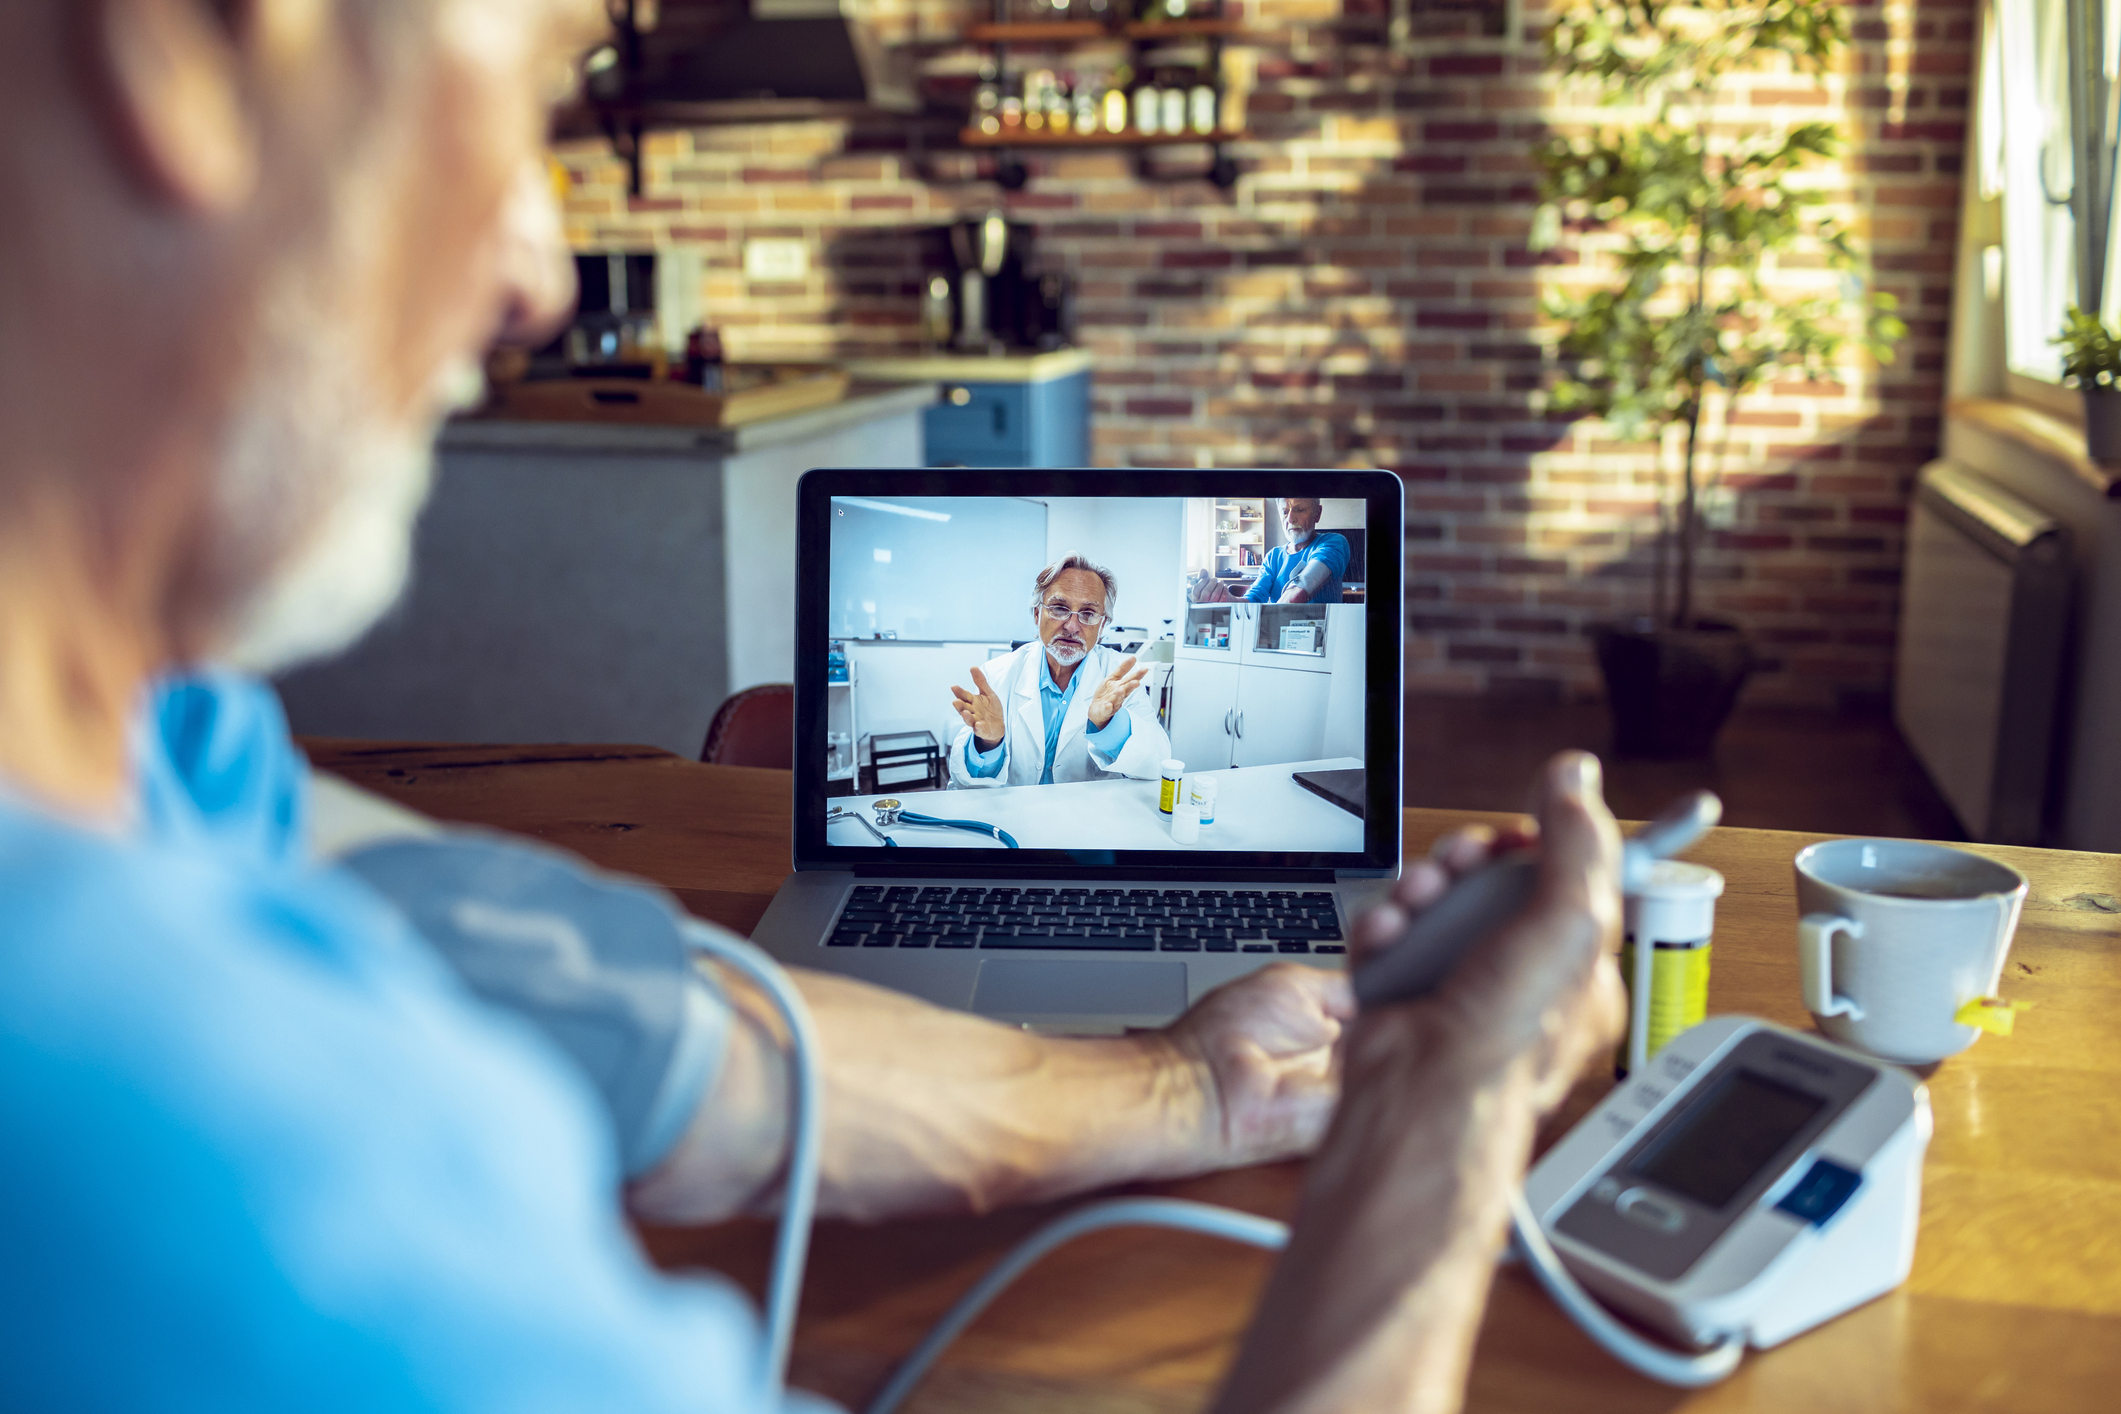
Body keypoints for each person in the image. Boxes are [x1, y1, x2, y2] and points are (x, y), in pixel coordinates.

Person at [0, 3, 1625, 1412]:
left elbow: (624, 1013)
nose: (538, 275)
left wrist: (1194, 1084)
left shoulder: (158, 756)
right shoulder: (199, 1150)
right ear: (192, 43)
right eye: (526, 91)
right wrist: (1441, 1114)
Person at [947, 554, 1170, 787]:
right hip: (1015, 814)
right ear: (1037, 614)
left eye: (1088, 614)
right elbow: (964, 785)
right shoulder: (996, 676)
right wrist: (989, 744)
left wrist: (1109, 725)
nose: (1072, 626)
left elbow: (1158, 762)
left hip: (1090, 817)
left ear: (1102, 624)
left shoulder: (1121, 680)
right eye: (1059, 608)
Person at [1246, 497, 1352, 604]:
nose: (1291, 519)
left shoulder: (1335, 542)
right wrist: (1231, 600)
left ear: (1317, 513)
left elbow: (1300, 589)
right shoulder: (1273, 556)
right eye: (1285, 512)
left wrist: (1272, 618)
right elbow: (1254, 596)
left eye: (1300, 510)